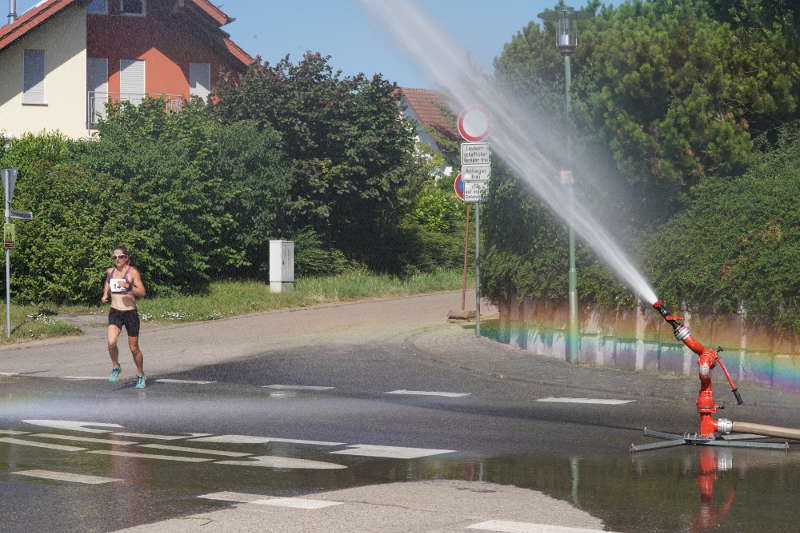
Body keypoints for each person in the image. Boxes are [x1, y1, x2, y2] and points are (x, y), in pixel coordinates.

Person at [101, 246, 147, 388]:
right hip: (115, 311)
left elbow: (142, 292)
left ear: (126, 257)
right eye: (114, 257)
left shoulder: (132, 272)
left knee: (133, 348)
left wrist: (128, 287)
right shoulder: (111, 272)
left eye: (120, 256)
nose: (117, 259)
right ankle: (116, 366)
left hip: (130, 313)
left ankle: (140, 374)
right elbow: (108, 282)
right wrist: (105, 295)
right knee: (111, 342)